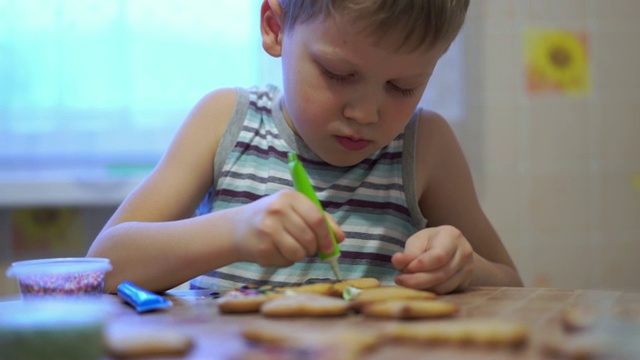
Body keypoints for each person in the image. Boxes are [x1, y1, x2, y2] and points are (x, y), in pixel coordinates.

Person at [87, 0, 523, 295]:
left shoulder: (425, 146)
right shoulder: (225, 121)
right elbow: (101, 269)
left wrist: (465, 269)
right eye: (337, 73)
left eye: (402, 86)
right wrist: (233, 232)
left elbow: (512, 286)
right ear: (275, 28)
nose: (366, 113)